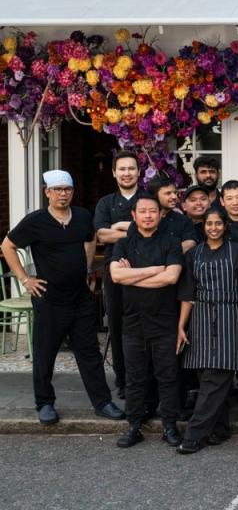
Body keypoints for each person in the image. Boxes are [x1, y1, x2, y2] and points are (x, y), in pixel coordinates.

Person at [1, 170, 123, 426]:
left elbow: (91, 240)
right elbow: (7, 246)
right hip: (49, 298)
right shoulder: (35, 221)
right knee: (45, 353)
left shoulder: (81, 216)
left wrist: (87, 269)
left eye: (67, 189)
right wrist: (25, 279)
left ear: (72, 191)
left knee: (89, 351)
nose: (63, 193)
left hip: (79, 298)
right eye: (57, 189)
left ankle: (102, 402)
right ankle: (44, 403)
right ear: (47, 192)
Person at [110, 195, 184, 448]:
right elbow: (116, 275)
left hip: (164, 322)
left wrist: (133, 276)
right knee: (135, 377)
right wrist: (155, 270)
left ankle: (170, 426)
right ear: (134, 215)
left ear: (160, 214)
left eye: (153, 211)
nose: (148, 216)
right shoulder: (123, 244)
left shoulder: (171, 243)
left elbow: (172, 277)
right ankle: (134, 426)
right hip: (132, 321)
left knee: (167, 376)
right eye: (143, 211)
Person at [175, 209, 238, 454]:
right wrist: (181, 326)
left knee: (217, 376)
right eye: (209, 223)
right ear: (204, 226)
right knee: (205, 374)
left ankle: (193, 435)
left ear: (225, 225)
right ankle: (220, 428)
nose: (214, 227)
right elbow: (187, 293)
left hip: (230, 316)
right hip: (201, 317)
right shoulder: (194, 253)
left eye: (218, 223)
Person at [94, 151, 142, 400]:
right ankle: (123, 381)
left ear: (139, 172)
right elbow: (103, 236)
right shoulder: (106, 203)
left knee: (146, 328)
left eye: (131, 169)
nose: (126, 173)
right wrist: (138, 230)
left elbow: (157, 230)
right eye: (122, 169)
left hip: (147, 274)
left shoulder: (149, 199)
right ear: (114, 172)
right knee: (118, 327)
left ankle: (147, 381)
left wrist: (120, 228)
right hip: (115, 275)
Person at [149, 176, 198, 254]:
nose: (174, 197)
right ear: (155, 195)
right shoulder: (145, 219)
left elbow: (190, 243)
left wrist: (164, 255)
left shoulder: (183, 220)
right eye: (168, 193)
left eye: (175, 193)